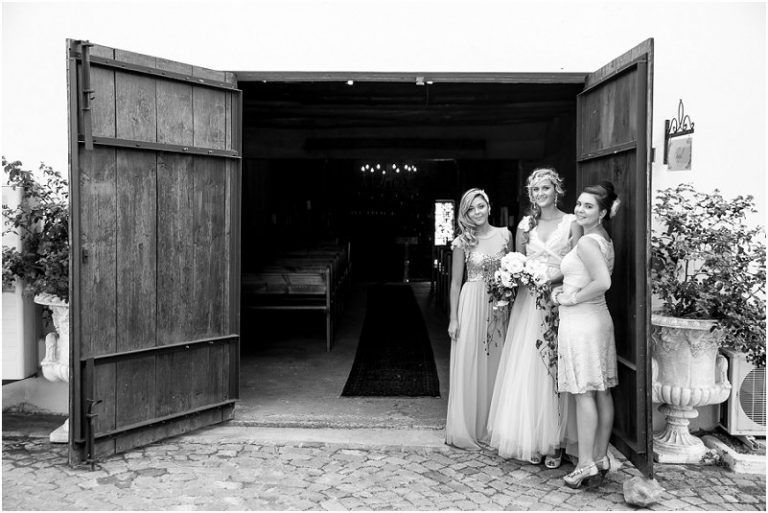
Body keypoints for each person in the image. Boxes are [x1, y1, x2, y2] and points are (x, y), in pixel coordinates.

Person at [487, 168, 581, 466]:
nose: (540, 194)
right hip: (529, 304)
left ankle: (556, 441)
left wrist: (552, 281)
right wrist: (515, 276)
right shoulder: (525, 225)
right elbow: (517, 263)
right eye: (535, 189)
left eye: (545, 188)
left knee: (555, 366)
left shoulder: (572, 223)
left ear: (557, 190)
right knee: (530, 365)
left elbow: (577, 264)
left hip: (558, 299)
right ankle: (533, 438)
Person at [553, 181, 620, 488]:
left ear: (603, 212)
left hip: (582, 321)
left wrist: (570, 298)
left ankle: (584, 464)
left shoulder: (587, 243)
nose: (579, 209)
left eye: (588, 206)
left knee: (584, 392)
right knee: (601, 390)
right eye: (579, 203)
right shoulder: (602, 237)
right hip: (598, 320)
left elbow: (603, 282)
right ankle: (600, 457)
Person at [446, 188, 512, 449]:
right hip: (471, 303)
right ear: (465, 214)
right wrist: (453, 318)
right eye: (470, 209)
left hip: (499, 305)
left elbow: (513, 274)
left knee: (497, 362)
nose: (477, 212)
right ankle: (470, 427)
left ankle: (493, 427)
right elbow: (455, 283)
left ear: (489, 206)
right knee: (471, 362)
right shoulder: (462, 242)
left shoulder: (505, 235)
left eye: (480, 206)